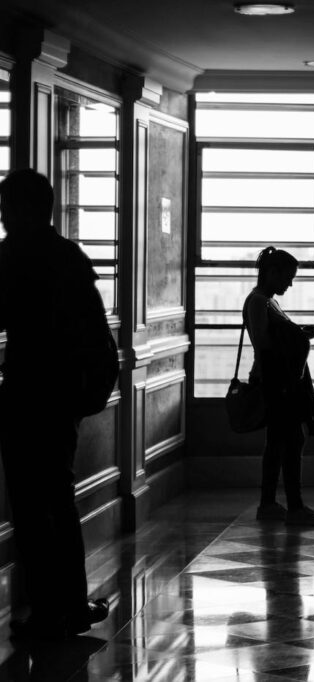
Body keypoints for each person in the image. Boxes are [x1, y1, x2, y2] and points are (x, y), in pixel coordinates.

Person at [0, 169, 110, 639]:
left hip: (23, 394)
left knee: (28, 508)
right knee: (59, 502)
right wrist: (86, 393)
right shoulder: (69, 258)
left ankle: (46, 610)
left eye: (5, 209)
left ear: (20, 209)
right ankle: (71, 605)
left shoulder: (8, 258)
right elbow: (97, 336)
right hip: (61, 396)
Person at [245, 246, 314, 525]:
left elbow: (275, 336)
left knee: (278, 443)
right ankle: (294, 508)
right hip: (276, 383)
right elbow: (264, 343)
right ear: (272, 273)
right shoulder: (259, 302)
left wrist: (296, 332)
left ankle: (269, 504)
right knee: (291, 441)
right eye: (288, 277)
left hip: (278, 382)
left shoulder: (266, 300)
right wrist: (295, 334)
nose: (290, 283)